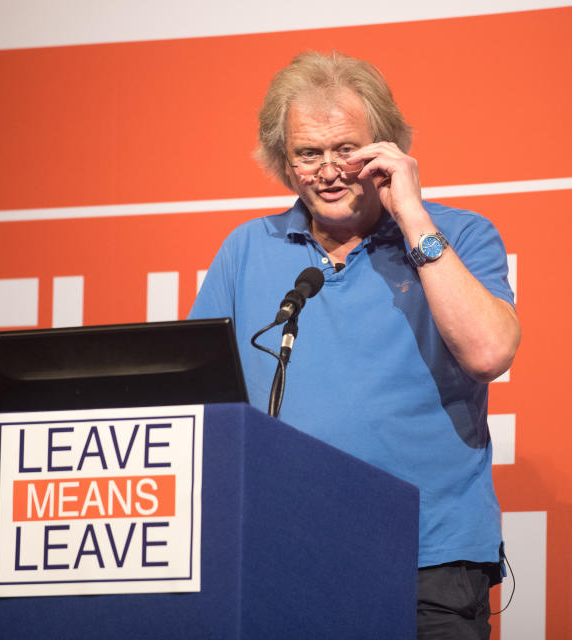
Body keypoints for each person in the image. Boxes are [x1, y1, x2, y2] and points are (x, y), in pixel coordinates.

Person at [189, 51, 520, 639]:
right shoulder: (246, 249)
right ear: (284, 164)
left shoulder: (461, 234)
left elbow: (489, 353)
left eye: (347, 149)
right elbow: (194, 401)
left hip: (428, 562)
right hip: (280, 559)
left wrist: (412, 217)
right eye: (308, 154)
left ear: (386, 148)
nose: (328, 170)